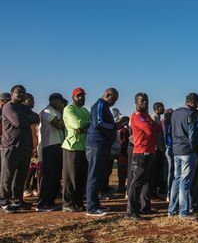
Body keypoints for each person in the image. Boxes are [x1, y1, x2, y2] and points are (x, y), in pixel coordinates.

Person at [0, 85, 40, 213]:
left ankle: (17, 200)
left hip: (25, 147)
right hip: (10, 147)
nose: (21, 95)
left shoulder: (24, 107)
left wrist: (25, 119)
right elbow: (18, 122)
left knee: (20, 177)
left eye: (23, 93)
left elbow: (36, 118)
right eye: (18, 92)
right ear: (12, 93)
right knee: (7, 177)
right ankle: (4, 202)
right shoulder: (8, 107)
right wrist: (27, 119)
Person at [85, 88, 121, 217]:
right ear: (107, 94)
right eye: (114, 99)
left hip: (103, 145)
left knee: (98, 176)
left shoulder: (104, 106)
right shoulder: (99, 105)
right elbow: (98, 123)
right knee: (93, 176)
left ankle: (95, 203)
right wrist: (114, 126)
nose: (115, 102)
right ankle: (91, 207)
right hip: (96, 145)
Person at [168, 93, 198, 219]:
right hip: (187, 150)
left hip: (176, 149)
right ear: (192, 102)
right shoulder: (191, 114)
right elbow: (192, 134)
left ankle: (171, 210)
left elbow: (171, 131)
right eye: (197, 103)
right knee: (185, 182)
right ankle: (183, 212)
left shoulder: (175, 113)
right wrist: (195, 149)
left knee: (176, 179)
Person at [126, 93, 157, 220]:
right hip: (141, 153)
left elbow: (157, 127)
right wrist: (151, 125)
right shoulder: (137, 116)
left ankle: (144, 207)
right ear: (136, 102)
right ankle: (131, 211)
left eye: (146, 101)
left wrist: (151, 125)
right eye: (142, 101)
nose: (145, 103)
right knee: (137, 183)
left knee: (146, 182)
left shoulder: (146, 115)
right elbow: (150, 130)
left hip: (149, 152)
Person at [61, 88, 90, 212]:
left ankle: (78, 202)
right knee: (70, 177)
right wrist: (84, 126)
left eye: (83, 96)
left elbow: (91, 124)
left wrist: (84, 127)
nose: (81, 98)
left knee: (81, 177)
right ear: (73, 97)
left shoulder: (84, 110)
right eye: (78, 96)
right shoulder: (68, 109)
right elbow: (77, 124)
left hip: (84, 147)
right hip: (71, 147)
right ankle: (67, 204)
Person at [36, 93, 66, 212]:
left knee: (56, 175)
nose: (62, 104)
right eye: (60, 101)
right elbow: (59, 125)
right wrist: (65, 114)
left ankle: (50, 201)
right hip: (49, 145)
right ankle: (42, 203)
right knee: (49, 176)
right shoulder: (47, 111)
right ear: (54, 100)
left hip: (58, 145)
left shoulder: (57, 112)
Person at [151, 102, 167, 199]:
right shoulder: (153, 118)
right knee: (154, 171)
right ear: (157, 108)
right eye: (162, 107)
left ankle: (154, 191)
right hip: (156, 148)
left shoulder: (158, 119)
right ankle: (152, 192)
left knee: (158, 172)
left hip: (160, 148)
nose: (163, 109)